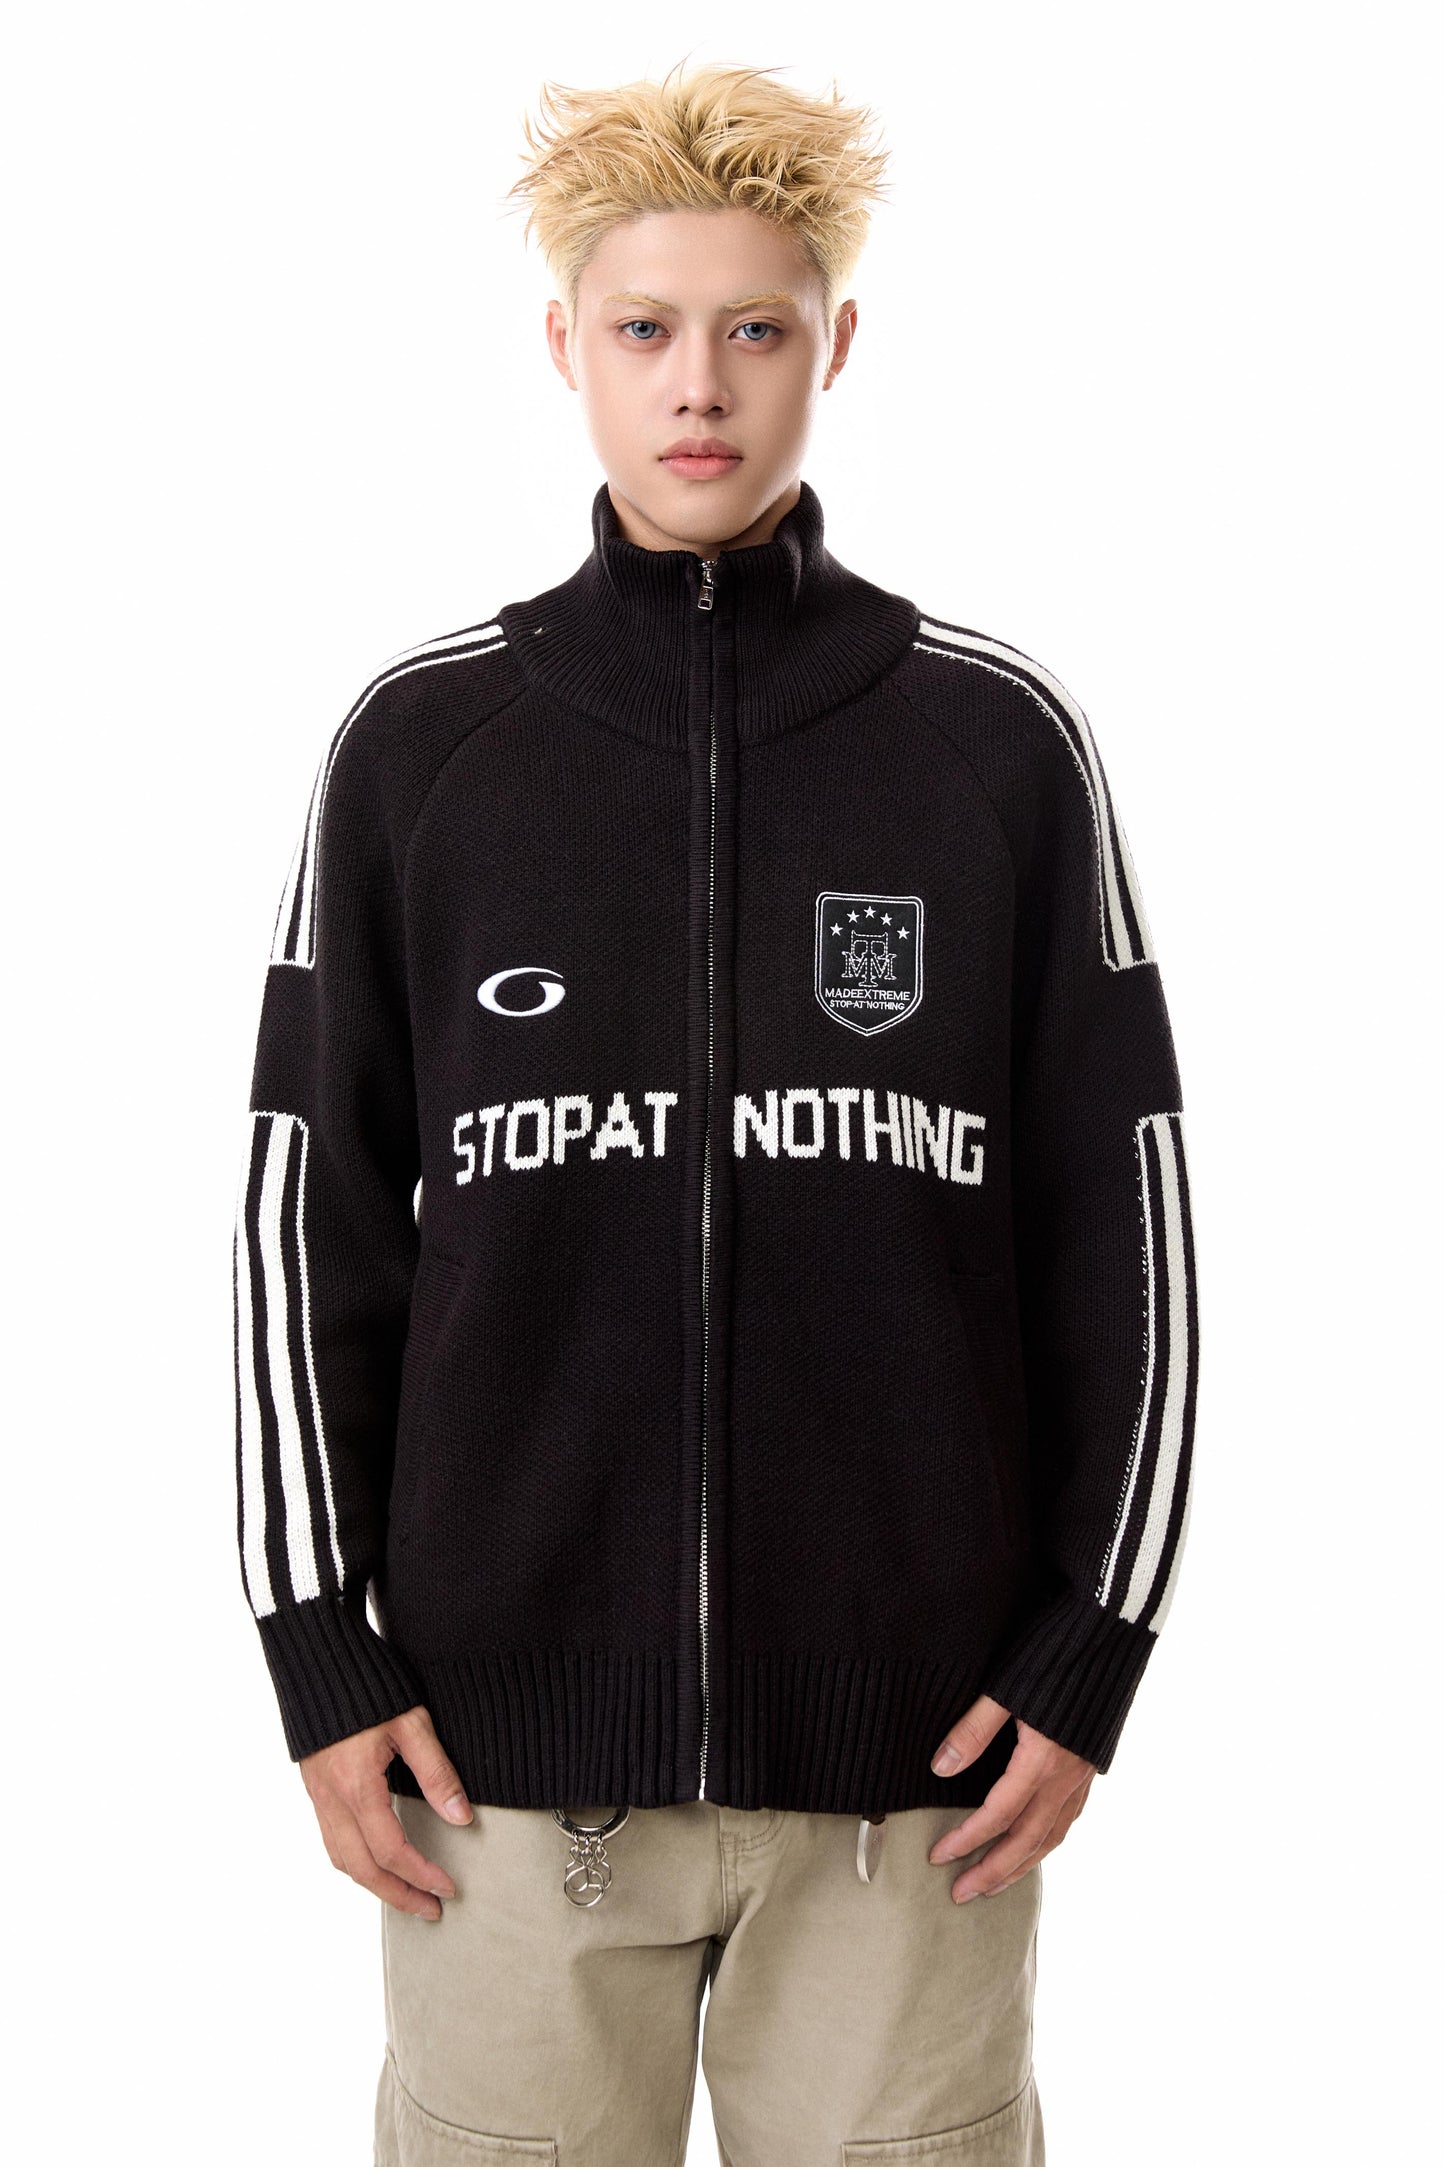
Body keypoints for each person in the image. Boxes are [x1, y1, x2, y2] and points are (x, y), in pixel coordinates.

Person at [231, 58, 1199, 2167]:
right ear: (561, 344)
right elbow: (308, 1221)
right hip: (500, 1787)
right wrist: (316, 1644)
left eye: (757, 327)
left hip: (913, 1790)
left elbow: (1124, 1226)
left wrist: (1090, 1645)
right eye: (646, 328)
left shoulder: (994, 750)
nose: (700, 385)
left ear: (833, 345)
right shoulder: (423, 752)